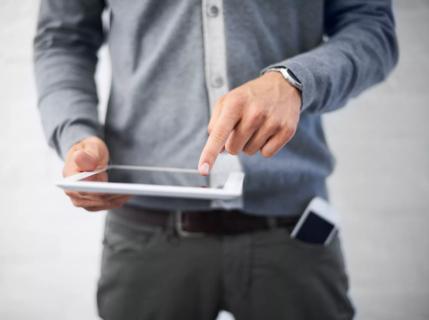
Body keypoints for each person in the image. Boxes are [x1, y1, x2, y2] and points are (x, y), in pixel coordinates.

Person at [34, 1, 398, 319]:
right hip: (145, 235)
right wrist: (76, 135)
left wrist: (295, 82)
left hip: (294, 230)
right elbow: (62, 39)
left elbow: (371, 26)